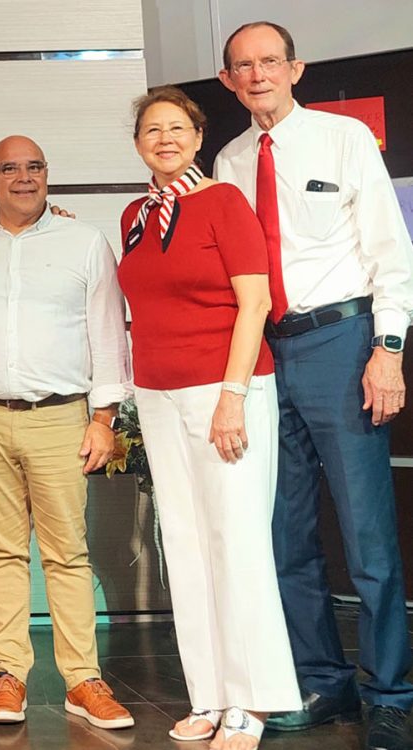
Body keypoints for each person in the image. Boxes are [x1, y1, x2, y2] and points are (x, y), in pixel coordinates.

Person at [214, 21, 413, 750]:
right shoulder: (229, 161)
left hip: (341, 341)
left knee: (368, 537)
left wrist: (387, 349)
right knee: (286, 535)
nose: (259, 73)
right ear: (229, 80)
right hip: (266, 355)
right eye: (244, 65)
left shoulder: (344, 139)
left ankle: (390, 692)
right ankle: (323, 681)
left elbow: (391, 252)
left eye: (271, 60)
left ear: (295, 68)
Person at [118, 85, 301, 749]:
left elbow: (253, 305)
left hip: (225, 391)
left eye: (176, 128)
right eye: (151, 130)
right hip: (160, 398)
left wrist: (231, 395)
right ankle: (210, 694)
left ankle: (252, 701)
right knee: (189, 549)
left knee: (237, 544)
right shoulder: (136, 216)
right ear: (138, 144)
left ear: (197, 139)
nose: (164, 139)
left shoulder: (224, 201)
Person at [0, 135, 134, 730]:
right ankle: (9, 676)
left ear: (47, 175)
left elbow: (109, 333)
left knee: (66, 553)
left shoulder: (84, 242)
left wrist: (104, 418)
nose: (23, 177)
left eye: (34, 167)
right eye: (9, 168)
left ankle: (83, 680)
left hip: (62, 417)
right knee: (0, 551)